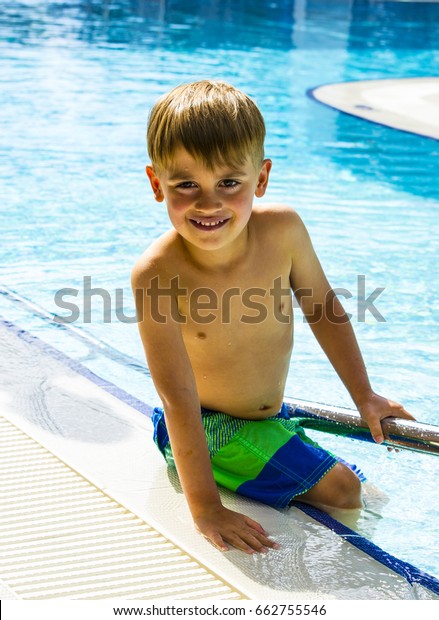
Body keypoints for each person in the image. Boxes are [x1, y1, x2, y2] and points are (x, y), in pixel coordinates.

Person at [132, 80, 414, 554]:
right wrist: (205, 508)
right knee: (345, 491)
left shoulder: (283, 231)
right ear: (157, 185)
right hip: (208, 425)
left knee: (373, 493)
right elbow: (177, 397)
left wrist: (365, 396)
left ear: (260, 180)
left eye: (229, 183)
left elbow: (324, 309)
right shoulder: (158, 273)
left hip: (269, 418)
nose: (208, 203)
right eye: (186, 185)